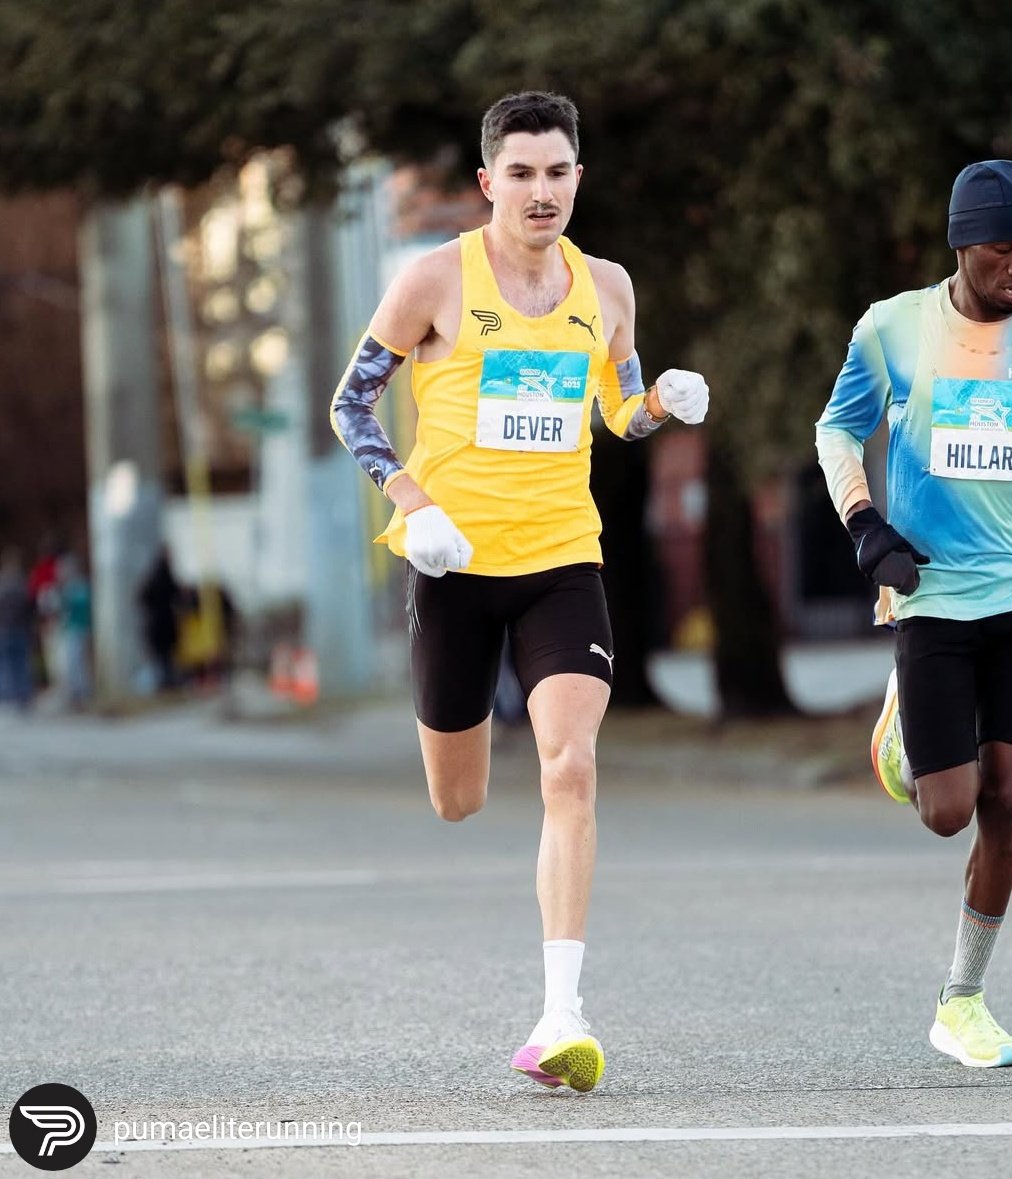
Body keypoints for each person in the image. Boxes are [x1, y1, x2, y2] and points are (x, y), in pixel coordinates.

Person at [331, 91, 708, 1092]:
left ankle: (560, 1016)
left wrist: (659, 401)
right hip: (451, 562)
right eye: (522, 173)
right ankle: (552, 997)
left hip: (560, 558)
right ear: (488, 182)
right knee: (457, 800)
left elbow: (616, 411)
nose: (542, 192)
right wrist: (413, 502)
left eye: (557, 172)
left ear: (578, 178)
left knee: (570, 768)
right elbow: (350, 403)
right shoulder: (433, 280)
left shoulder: (608, 286)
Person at [816, 160, 1012, 1069]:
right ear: (964, 244)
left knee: (1008, 800)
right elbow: (836, 427)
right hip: (930, 593)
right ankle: (903, 729)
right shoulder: (893, 328)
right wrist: (865, 524)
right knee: (948, 810)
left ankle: (961, 1000)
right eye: (1003, 248)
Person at [0, 546, 34, 710]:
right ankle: (23, 694)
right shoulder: (23, 585)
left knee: (6, 663)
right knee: (21, 663)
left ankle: (7, 695)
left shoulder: (2, 585)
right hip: (20, 629)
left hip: (5, 629)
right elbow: (30, 608)